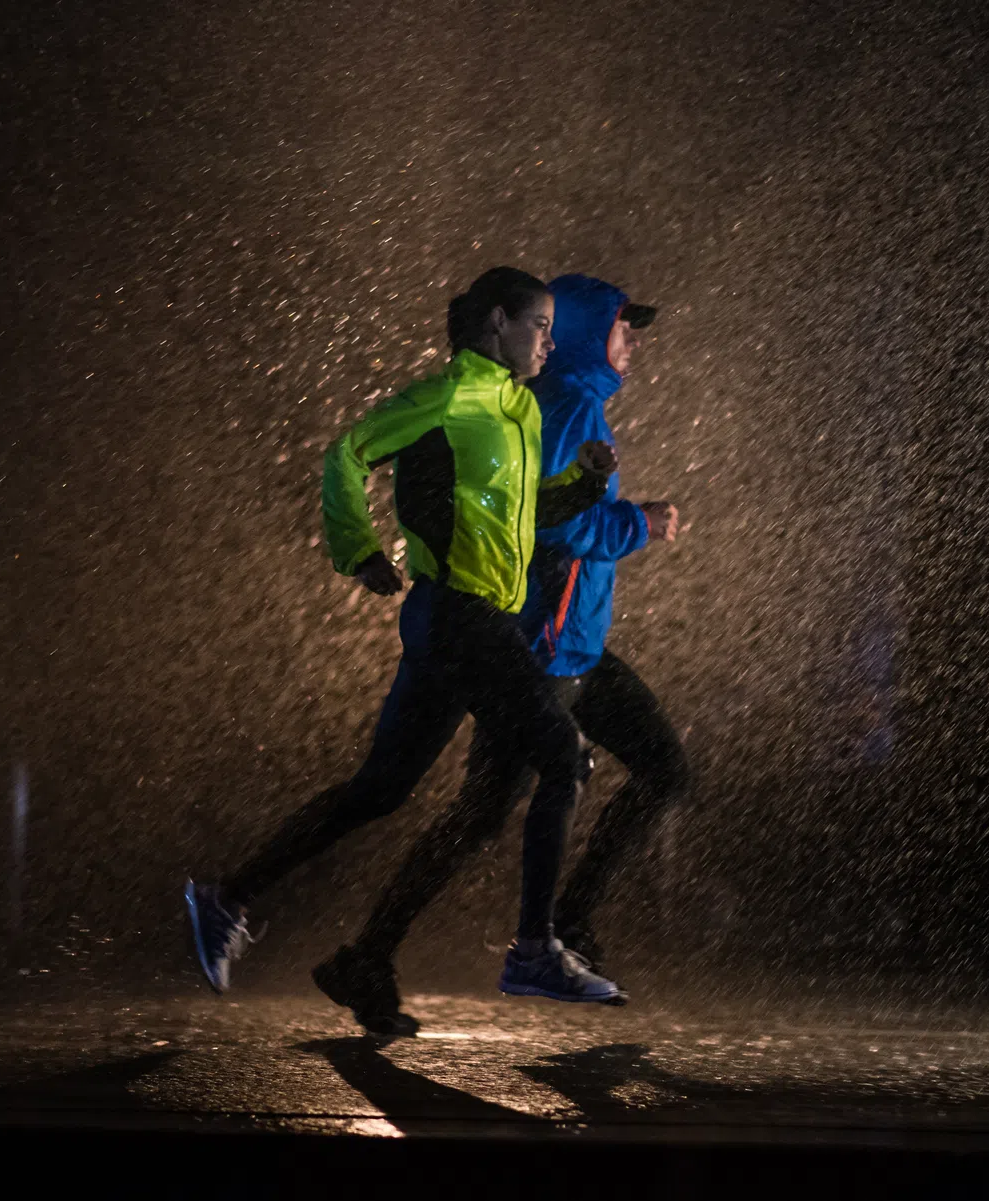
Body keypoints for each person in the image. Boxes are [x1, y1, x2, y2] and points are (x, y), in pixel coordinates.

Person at [185, 266, 628, 1015]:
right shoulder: (449, 397)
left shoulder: (516, 408)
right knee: (562, 757)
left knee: (380, 790)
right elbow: (347, 451)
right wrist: (356, 547)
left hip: (463, 621)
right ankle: (531, 952)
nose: (550, 342)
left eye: (553, 328)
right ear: (496, 323)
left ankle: (226, 896)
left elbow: (511, 517)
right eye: (540, 326)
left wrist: (581, 490)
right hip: (457, 616)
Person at [320, 273, 691, 1033]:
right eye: (625, 328)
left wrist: (619, 515)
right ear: (591, 332)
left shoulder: (571, 400)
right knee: (482, 813)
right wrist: (635, 524)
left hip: (576, 646)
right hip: (544, 649)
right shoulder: (563, 404)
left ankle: (563, 926)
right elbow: (542, 530)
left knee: (658, 770)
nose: (636, 344)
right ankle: (382, 951)